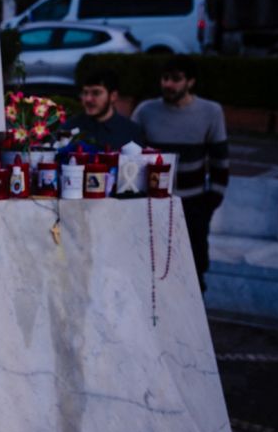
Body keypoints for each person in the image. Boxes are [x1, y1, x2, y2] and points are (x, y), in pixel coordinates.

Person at [132, 55, 228, 292]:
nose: (168, 84)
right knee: (149, 267)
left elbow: (220, 162)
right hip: (152, 204)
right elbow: (131, 157)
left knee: (194, 268)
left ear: (190, 82)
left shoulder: (210, 112)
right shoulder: (146, 111)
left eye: (176, 79)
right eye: (165, 78)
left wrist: (210, 203)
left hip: (193, 205)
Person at [63, 69, 144, 151]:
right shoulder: (70, 127)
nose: (88, 99)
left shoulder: (130, 131)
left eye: (96, 93)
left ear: (113, 96)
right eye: (85, 93)